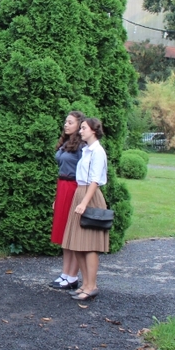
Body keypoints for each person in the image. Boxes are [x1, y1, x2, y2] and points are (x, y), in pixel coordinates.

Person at [61, 117, 109, 302]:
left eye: (83, 128)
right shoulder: (86, 150)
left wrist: (84, 202)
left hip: (89, 196)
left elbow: (95, 180)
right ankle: (85, 284)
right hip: (80, 194)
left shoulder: (98, 152)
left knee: (89, 246)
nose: (80, 131)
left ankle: (92, 286)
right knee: (78, 244)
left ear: (93, 131)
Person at [49, 111, 85, 290]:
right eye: (66, 122)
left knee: (73, 233)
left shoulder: (82, 147)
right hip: (62, 187)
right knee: (64, 232)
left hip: (74, 188)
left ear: (79, 125)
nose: (66, 124)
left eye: (70, 122)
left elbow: (85, 173)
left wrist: (82, 197)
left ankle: (73, 276)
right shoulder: (65, 143)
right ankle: (65, 273)